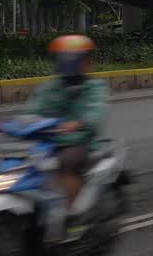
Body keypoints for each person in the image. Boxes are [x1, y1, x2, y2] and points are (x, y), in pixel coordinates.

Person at [29, 34, 109, 240]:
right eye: (64, 58)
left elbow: (95, 113)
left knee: (65, 164)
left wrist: (78, 123)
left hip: (79, 143)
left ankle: (72, 217)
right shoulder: (49, 87)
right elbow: (33, 111)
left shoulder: (95, 88)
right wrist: (9, 124)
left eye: (74, 58)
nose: (69, 63)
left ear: (86, 61)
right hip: (48, 143)